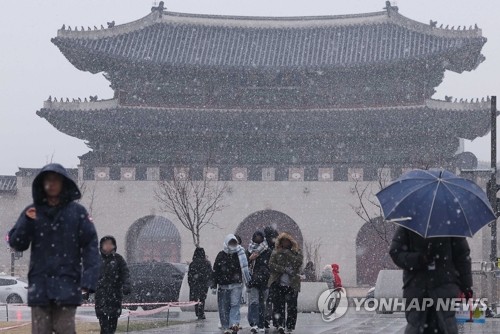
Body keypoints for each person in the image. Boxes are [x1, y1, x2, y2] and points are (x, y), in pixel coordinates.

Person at [8, 163, 100, 334]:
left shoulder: (77, 213)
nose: (51, 184)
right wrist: (27, 222)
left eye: (55, 180)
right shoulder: (32, 211)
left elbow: (91, 247)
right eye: (48, 180)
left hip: (67, 284)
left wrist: (89, 280)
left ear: (63, 183)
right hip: (40, 286)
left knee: (65, 330)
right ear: (42, 184)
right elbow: (17, 243)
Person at [389, 226, 473, 334]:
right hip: (431, 286)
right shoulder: (452, 226)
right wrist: (466, 286)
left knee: (422, 325)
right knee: (443, 325)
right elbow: (462, 257)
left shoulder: (409, 225)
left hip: (423, 286)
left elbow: (396, 252)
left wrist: (466, 287)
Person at [95, 235, 131, 334]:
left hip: (115, 297)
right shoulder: (96, 260)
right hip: (101, 298)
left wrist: (126, 285)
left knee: (112, 326)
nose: (108, 246)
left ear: (114, 246)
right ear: (101, 246)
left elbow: (125, 274)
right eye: (105, 244)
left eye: (110, 244)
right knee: (104, 325)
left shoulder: (118, 259)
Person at [268, 232, 303, 334]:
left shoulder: (296, 251)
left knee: (292, 306)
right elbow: (271, 264)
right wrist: (283, 269)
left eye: (287, 241)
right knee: (279, 306)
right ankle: (280, 324)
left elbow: (298, 262)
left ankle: (290, 326)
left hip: (292, 284)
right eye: (283, 241)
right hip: (278, 283)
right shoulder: (276, 252)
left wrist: (288, 253)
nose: (285, 243)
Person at [213, 234, 247, 334]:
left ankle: (234, 323)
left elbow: (244, 267)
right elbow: (216, 270)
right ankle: (225, 326)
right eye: (230, 242)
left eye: (234, 242)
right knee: (224, 307)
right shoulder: (221, 255)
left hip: (236, 284)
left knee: (235, 304)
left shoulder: (240, 254)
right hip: (223, 285)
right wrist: (214, 285)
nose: (232, 245)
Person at [246, 230, 272, 333]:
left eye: (259, 236)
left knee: (262, 303)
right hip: (253, 281)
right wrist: (250, 258)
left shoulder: (267, 250)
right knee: (254, 302)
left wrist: (265, 272)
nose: (257, 238)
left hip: (264, 281)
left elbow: (270, 265)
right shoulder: (248, 250)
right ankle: (254, 323)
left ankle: (261, 324)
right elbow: (244, 265)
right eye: (256, 236)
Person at [188, 247, 213, 320]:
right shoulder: (206, 263)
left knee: (196, 299)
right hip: (204, 284)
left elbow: (190, 276)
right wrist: (209, 283)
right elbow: (210, 274)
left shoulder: (192, 264)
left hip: (195, 284)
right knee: (202, 299)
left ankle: (198, 312)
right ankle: (201, 312)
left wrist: (191, 284)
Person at [263, 226, 279, 329]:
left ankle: (267, 318)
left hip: (268, 277)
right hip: (275, 276)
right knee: (276, 300)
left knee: (268, 299)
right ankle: (276, 320)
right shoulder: (277, 248)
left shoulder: (264, 247)